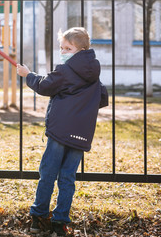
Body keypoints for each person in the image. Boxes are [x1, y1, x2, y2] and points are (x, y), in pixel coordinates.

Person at [17, 27, 108, 236]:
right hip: (81, 133)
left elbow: (44, 85)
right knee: (67, 177)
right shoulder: (94, 74)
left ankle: (39, 217)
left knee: (48, 172)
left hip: (59, 132)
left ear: (81, 50)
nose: (63, 52)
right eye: (62, 48)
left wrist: (27, 74)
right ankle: (60, 222)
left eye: (68, 48)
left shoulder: (65, 71)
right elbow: (102, 97)